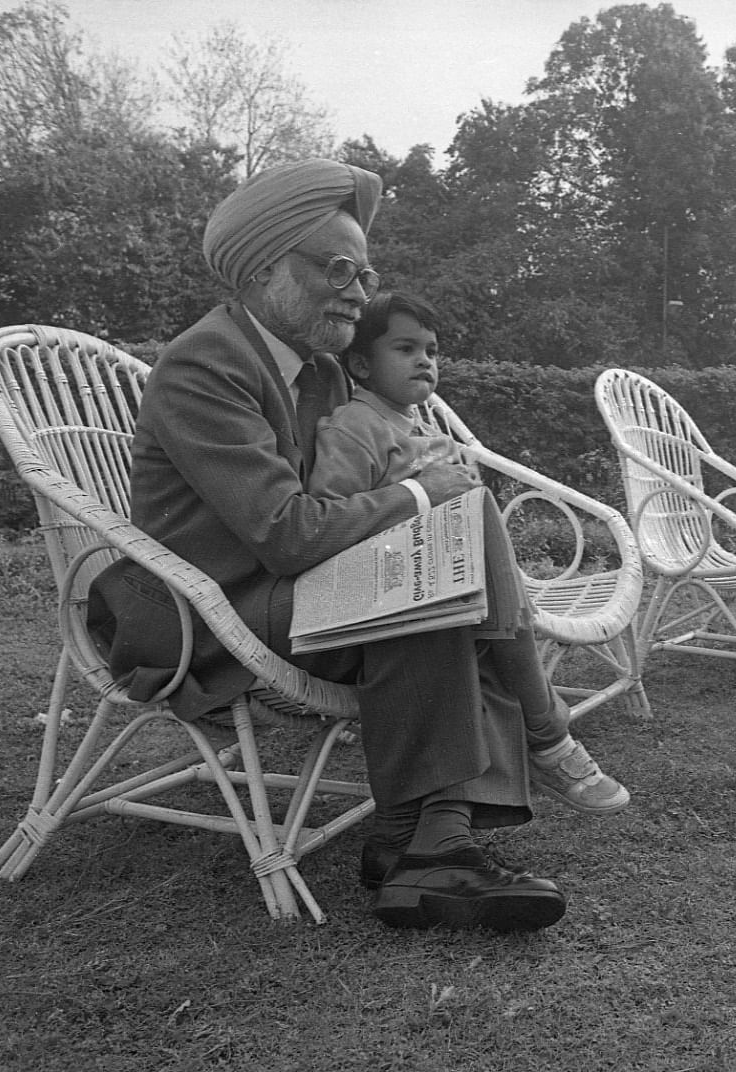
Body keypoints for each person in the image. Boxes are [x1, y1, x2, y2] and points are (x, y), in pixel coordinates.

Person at [87, 159, 606, 933]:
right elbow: (288, 534)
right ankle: (472, 803)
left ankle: (421, 839)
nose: (361, 291)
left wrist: (434, 497)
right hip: (200, 608)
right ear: (265, 269)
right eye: (338, 268)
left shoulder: (323, 371)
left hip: (277, 591)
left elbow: (365, 479)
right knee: (422, 591)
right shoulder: (206, 363)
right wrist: (426, 496)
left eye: (365, 272)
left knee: (451, 577)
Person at [307, 287, 629, 817]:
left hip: (456, 588)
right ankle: (548, 736)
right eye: (406, 349)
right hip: (386, 590)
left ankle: (513, 765)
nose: (425, 361)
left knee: (480, 536)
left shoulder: (418, 427)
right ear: (361, 363)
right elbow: (331, 514)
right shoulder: (354, 427)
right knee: (483, 545)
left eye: (431, 351)